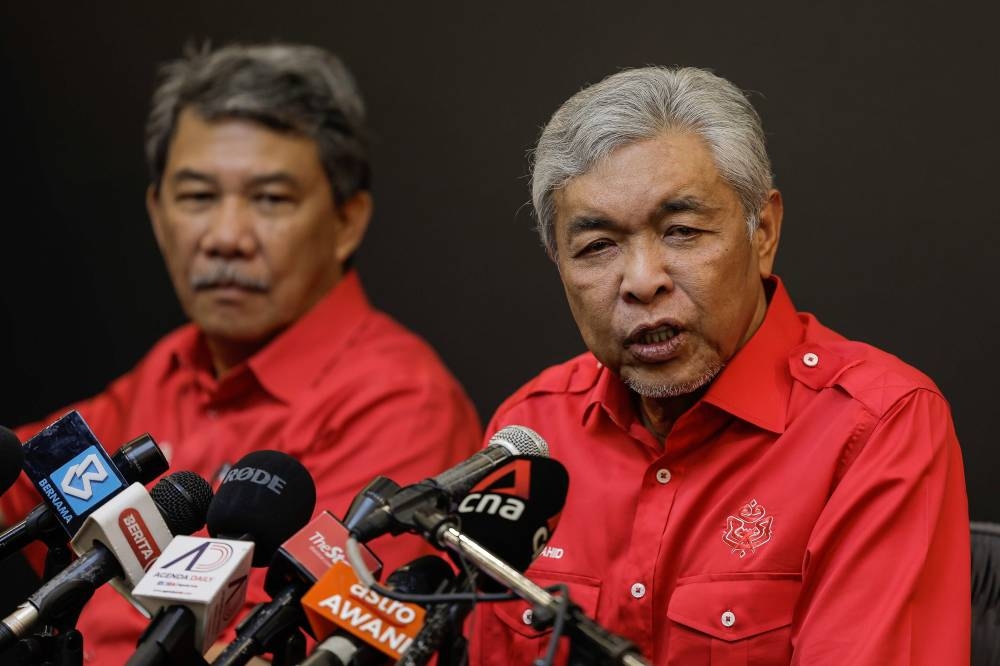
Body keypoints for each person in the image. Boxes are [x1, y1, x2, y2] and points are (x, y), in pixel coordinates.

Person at [0, 43, 482, 663]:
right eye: (198, 197)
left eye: (271, 200)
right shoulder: (172, 364)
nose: (225, 238)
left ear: (347, 222)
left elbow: (294, 648)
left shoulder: (401, 401)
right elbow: (20, 481)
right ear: (157, 213)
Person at [472, 67, 969, 665]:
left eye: (682, 232)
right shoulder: (531, 434)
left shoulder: (876, 426)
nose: (642, 282)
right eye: (598, 247)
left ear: (764, 233)